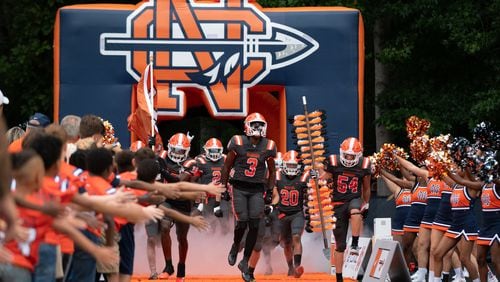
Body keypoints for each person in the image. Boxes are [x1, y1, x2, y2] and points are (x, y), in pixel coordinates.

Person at [221, 112, 277, 282]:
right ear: (247, 127)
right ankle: (235, 245)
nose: (258, 128)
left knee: (254, 224)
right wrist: (223, 187)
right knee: (242, 222)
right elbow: (226, 166)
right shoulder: (238, 142)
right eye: (255, 125)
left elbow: (272, 170)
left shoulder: (268, 146)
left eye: (261, 125)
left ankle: (245, 260)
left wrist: (269, 190)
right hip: (239, 187)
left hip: (257, 189)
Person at [321, 137, 371, 282]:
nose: (349, 158)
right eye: (347, 155)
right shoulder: (334, 162)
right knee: (340, 245)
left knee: (355, 212)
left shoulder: (364, 164)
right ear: (342, 153)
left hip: (353, 199)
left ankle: (355, 243)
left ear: (359, 155)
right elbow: (326, 178)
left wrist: (366, 204)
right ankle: (339, 277)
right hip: (337, 203)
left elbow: (366, 188)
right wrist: (317, 178)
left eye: (352, 156)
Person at [273, 150, 308, 278]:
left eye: (294, 165)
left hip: (296, 214)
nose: (292, 168)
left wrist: (316, 178)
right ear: (283, 165)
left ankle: (298, 267)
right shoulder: (277, 176)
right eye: (289, 165)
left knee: (296, 237)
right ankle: (290, 267)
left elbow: (316, 189)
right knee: (286, 243)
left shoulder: (303, 177)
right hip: (282, 214)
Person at [194, 138, 230, 233]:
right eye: (212, 150)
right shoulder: (200, 161)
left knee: (224, 222)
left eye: (217, 150)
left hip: (222, 196)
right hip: (207, 197)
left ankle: (224, 242)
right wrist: (199, 201)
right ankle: (210, 244)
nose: (214, 153)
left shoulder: (226, 159)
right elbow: (195, 181)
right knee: (210, 224)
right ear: (206, 150)